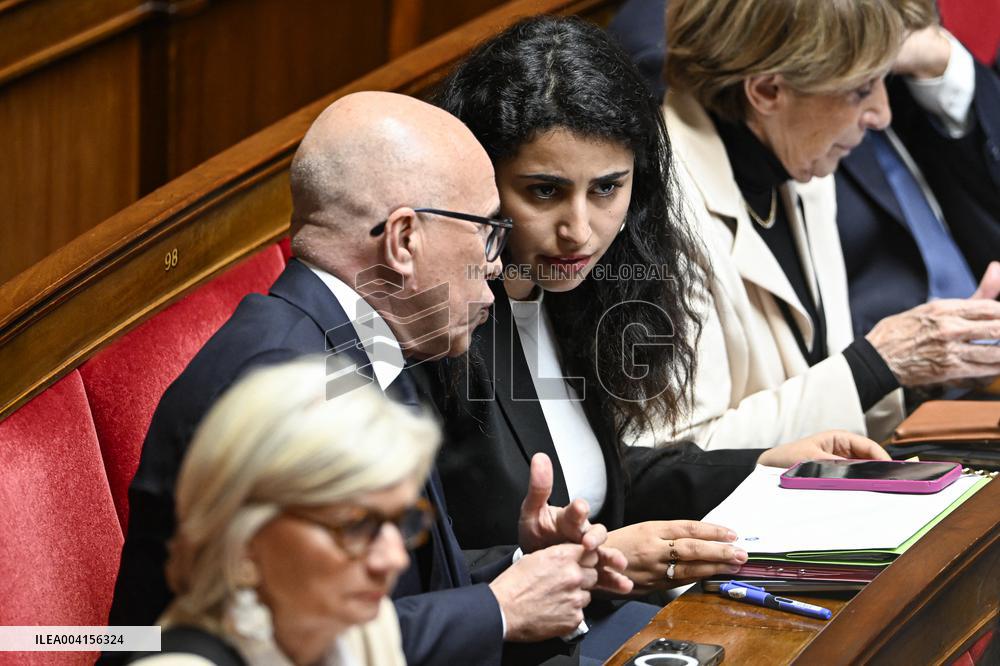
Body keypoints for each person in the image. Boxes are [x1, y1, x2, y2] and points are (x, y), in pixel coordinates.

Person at [104, 91, 631, 666]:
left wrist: (521, 569)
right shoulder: (285, 379)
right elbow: (280, 641)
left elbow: (390, 592)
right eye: (487, 233)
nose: (498, 263)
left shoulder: (368, 346)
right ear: (405, 240)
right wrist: (499, 609)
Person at [425, 19, 891, 658]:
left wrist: (763, 466)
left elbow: (596, 481)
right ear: (479, 182)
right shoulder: (434, 326)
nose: (580, 231)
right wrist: (600, 559)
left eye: (607, 189)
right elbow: (417, 573)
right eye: (544, 192)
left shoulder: (571, 294)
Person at [654, 0, 1000, 451]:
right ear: (767, 92)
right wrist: (880, 363)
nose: (882, 113)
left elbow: (816, 402)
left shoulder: (801, 162)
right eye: (861, 90)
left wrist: (937, 365)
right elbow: (678, 462)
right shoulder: (653, 207)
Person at [128, 358, 437, 665]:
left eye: (401, 521)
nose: (395, 559)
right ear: (244, 538)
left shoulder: (364, 623)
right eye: (356, 525)